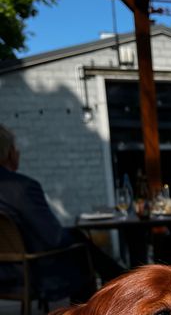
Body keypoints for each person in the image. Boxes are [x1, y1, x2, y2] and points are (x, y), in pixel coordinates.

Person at [0, 124, 124, 302]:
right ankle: (115, 285)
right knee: (82, 253)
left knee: (76, 236)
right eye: (15, 148)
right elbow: (54, 238)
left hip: (5, 275)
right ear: (9, 152)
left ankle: (119, 276)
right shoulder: (23, 187)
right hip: (31, 274)